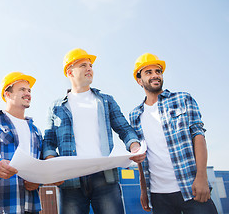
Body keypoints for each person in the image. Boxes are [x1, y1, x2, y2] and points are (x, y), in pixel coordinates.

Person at [43, 48, 146, 214]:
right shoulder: (56, 107)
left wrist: (134, 146)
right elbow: (48, 141)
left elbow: (124, 128)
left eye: (90, 65)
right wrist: (52, 167)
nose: (89, 68)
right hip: (71, 179)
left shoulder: (105, 101)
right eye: (83, 65)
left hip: (104, 176)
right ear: (70, 72)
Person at [129, 53, 218, 214]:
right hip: (158, 196)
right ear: (139, 80)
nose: (155, 75)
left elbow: (198, 136)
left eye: (158, 71)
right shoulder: (135, 115)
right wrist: (143, 190)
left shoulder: (183, 99)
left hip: (192, 188)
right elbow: (140, 156)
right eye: (148, 72)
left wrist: (202, 177)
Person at [0, 72, 43, 214]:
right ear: (7, 94)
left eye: (29, 90)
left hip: (32, 206)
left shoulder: (36, 131)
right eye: (22, 89)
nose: (28, 93)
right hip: (2, 205)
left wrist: (38, 180)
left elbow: (41, 164)